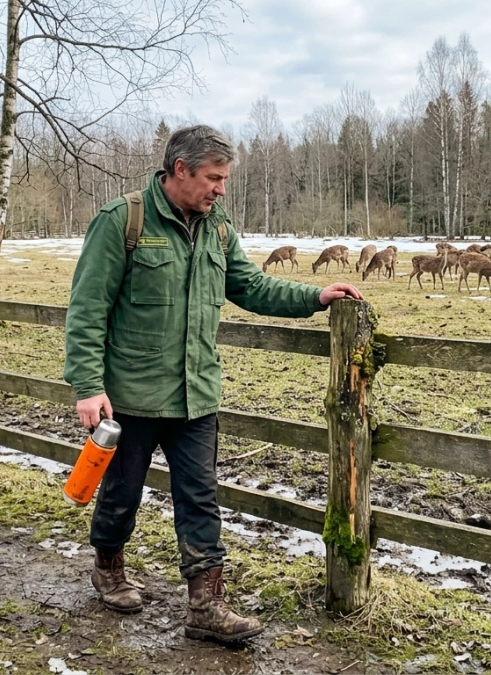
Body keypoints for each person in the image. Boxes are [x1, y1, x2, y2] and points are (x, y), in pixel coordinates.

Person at [64, 124, 363, 643]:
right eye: (214, 178)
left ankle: (206, 604)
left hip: (196, 395)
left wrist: (314, 298)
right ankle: (108, 567)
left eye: (224, 179)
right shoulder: (123, 221)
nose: (221, 189)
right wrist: (89, 385)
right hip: (130, 396)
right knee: (121, 494)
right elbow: (87, 310)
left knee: (200, 498)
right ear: (180, 170)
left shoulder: (217, 227)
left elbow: (249, 285)